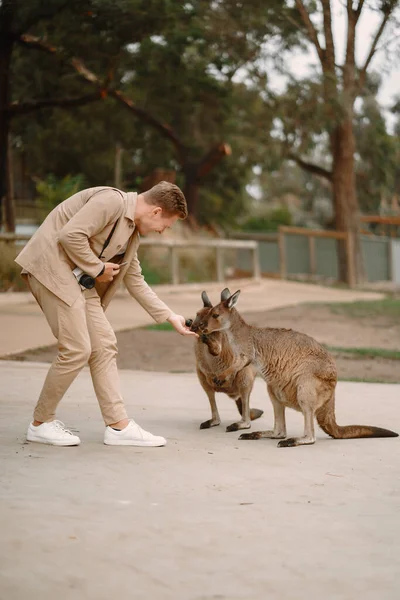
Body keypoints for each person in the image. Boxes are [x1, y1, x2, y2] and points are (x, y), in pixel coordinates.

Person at [15, 181, 197, 448]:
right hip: (50, 269)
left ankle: (118, 427)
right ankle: (41, 424)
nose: (162, 231)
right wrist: (97, 267)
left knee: (104, 345)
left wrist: (170, 316)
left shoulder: (131, 234)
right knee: (77, 349)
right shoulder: (111, 201)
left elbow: (134, 279)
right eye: (166, 225)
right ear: (156, 211)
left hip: (78, 279)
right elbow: (70, 235)